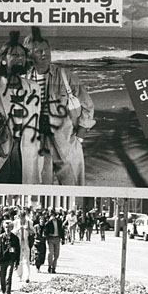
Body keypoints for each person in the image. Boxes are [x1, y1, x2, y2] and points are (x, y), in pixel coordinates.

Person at [23, 26, 96, 185]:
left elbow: (88, 105)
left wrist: (80, 137)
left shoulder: (65, 76)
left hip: (67, 141)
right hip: (37, 142)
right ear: (29, 55)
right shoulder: (24, 80)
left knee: (74, 188)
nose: (44, 53)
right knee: (41, 189)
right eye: (38, 51)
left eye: (46, 49)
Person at [0, 30, 44, 184]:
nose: (20, 59)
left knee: (24, 191)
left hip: (26, 151)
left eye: (22, 55)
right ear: (3, 59)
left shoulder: (33, 87)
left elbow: (37, 120)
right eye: (15, 55)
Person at [0, 220, 20, 294]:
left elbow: (18, 250)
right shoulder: (1, 237)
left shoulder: (15, 238)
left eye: (9, 227)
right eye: (6, 227)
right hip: (2, 259)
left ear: (12, 228)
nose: (7, 229)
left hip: (11, 259)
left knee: (8, 277)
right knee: (2, 276)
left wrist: (17, 261)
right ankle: (3, 292)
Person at [12, 210, 34, 283]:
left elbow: (33, 232)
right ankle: (19, 275)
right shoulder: (15, 223)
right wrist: (17, 230)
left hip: (26, 243)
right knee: (18, 259)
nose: (21, 219)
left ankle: (27, 276)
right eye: (20, 217)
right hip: (18, 243)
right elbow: (12, 233)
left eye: (23, 217)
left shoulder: (29, 222)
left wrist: (27, 229)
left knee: (26, 260)